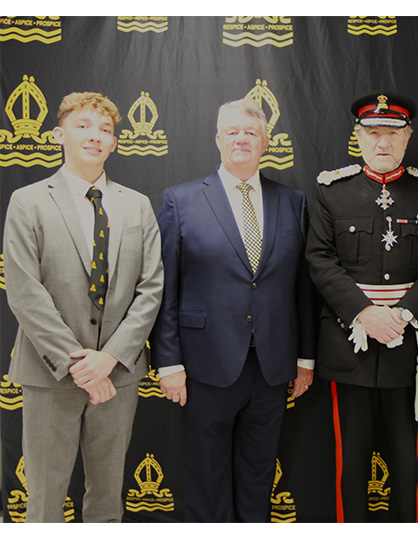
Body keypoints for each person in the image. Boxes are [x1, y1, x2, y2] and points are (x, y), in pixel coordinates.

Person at [151, 99, 316, 522]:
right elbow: (165, 289)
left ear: (266, 142)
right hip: (205, 366)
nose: (242, 138)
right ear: (218, 139)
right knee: (205, 476)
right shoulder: (181, 200)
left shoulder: (293, 202)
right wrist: (167, 362)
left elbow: (303, 287)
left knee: (258, 473)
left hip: (273, 365)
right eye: (233, 131)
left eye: (251, 131)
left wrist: (304, 358)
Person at [3, 92, 163, 522]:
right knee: (44, 498)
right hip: (49, 372)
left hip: (118, 374)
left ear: (114, 143)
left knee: (108, 497)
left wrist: (109, 358)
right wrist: (79, 365)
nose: (95, 136)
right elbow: (23, 290)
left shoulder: (138, 205)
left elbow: (151, 289)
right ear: (58, 135)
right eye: (83, 126)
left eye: (106, 130)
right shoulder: (28, 201)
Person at [306, 90, 418, 522]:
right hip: (348, 345)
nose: (382, 142)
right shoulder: (332, 190)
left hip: (409, 348)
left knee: (410, 464)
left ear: (408, 138)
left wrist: (404, 315)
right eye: (373, 133)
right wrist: (365, 313)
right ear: (358, 136)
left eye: (392, 133)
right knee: (349, 464)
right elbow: (319, 258)